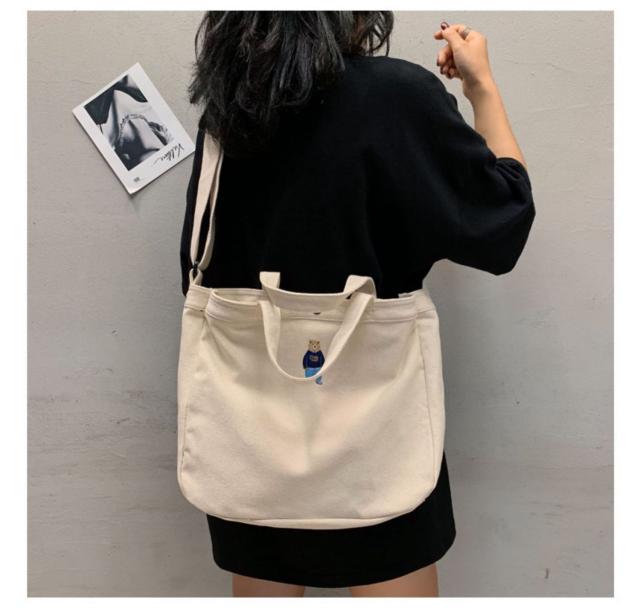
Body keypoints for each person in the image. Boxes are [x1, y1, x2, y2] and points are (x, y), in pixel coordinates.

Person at [179, 12, 535, 597]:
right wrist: (481, 88)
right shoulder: (396, 96)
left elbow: (201, 266)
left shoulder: (231, 110)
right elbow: (504, 226)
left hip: (250, 444)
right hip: (382, 444)